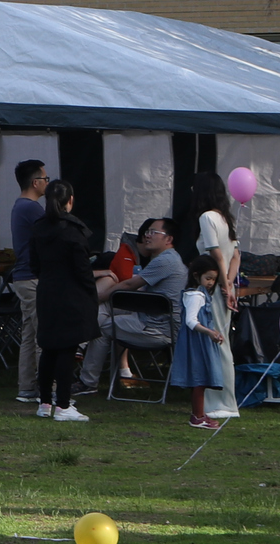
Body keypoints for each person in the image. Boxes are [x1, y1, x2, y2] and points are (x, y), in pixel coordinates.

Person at [82, 217, 187, 391]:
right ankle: (83, 347)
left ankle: (88, 382)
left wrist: (100, 296)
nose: (147, 236)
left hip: (157, 329)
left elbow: (129, 285)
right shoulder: (169, 259)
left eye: (153, 232)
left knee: (101, 328)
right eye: (147, 232)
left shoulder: (165, 261)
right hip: (153, 319)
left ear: (169, 239)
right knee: (106, 309)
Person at [30, 180, 98, 422]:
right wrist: (91, 295)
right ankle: (63, 404)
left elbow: (33, 264)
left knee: (49, 347)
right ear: (70, 200)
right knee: (67, 350)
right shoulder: (73, 231)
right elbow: (83, 271)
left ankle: (45, 401)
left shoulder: (38, 228)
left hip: (47, 291)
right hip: (71, 294)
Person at [191, 172, 243, 420]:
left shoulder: (206, 217)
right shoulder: (225, 218)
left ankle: (220, 402)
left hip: (212, 288)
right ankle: (226, 401)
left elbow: (216, 255)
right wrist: (230, 283)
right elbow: (235, 256)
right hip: (222, 286)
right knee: (223, 344)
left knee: (215, 343)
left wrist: (223, 284)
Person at [7, 159, 48, 405]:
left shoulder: (20, 206)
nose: (47, 183)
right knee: (43, 335)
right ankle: (47, 389)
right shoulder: (32, 208)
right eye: (45, 179)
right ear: (35, 182)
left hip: (23, 277)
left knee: (30, 334)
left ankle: (26, 387)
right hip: (32, 278)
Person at [173, 255, 229, 429]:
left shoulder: (200, 294)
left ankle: (200, 414)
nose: (211, 283)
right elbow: (191, 321)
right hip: (196, 342)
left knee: (201, 379)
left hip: (200, 340)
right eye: (208, 278)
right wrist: (209, 332)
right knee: (199, 378)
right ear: (197, 276)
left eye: (214, 279)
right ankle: (197, 417)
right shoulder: (195, 295)